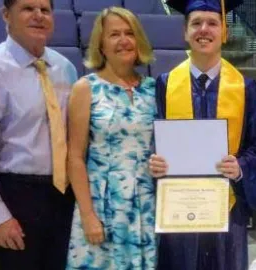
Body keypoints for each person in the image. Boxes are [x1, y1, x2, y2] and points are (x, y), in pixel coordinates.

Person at [148, 0, 256, 269]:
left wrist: (241, 166)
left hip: (227, 209)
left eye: (212, 23)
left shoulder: (245, 88)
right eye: (196, 23)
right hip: (179, 210)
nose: (203, 30)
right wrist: (153, 161)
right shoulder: (164, 84)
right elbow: (150, 141)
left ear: (225, 31)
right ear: (185, 31)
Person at [0, 0, 77, 269]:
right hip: (18, 195)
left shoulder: (65, 68)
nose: (38, 16)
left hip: (64, 194)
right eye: (28, 8)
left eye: (45, 10)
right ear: (6, 15)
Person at [65, 7, 157, 269]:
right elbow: (75, 157)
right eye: (114, 34)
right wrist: (87, 215)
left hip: (146, 203)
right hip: (102, 204)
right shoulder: (86, 88)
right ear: (101, 44)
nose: (123, 40)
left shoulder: (153, 89)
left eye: (129, 33)